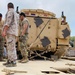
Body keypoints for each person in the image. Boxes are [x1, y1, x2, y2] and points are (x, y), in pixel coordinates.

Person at [2, 2, 19, 67]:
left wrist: (4, 31)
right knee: (9, 47)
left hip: (10, 32)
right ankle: (10, 60)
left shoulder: (10, 12)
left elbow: (8, 22)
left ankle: (13, 61)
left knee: (11, 47)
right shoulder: (16, 14)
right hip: (12, 32)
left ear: (8, 7)